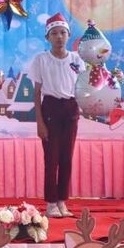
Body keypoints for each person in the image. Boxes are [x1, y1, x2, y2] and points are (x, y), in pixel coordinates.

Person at [30, 12, 83, 219]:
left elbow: (83, 87)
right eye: (54, 33)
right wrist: (39, 122)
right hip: (50, 108)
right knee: (51, 158)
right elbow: (36, 93)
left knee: (66, 158)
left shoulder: (77, 59)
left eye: (62, 33)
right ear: (48, 37)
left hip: (71, 108)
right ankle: (51, 203)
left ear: (68, 35)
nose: (59, 37)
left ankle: (62, 201)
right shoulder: (41, 60)